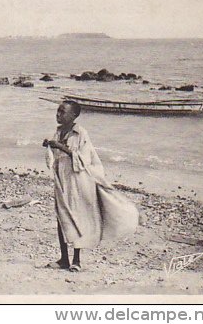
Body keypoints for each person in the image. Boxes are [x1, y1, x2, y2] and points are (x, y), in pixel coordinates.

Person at [43, 101, 139, 272]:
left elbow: (84, 159)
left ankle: (76, 260)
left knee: (78, 217)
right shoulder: (58, 132)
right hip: (62, 179)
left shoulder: (81, 133)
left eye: (62, 112)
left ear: (74, 116)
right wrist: (50, 146)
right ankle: (64, 258)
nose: (58, 114)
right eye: (58, 111)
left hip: (78, 181)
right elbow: (55, 159)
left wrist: (59, 147)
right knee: (61, 217)